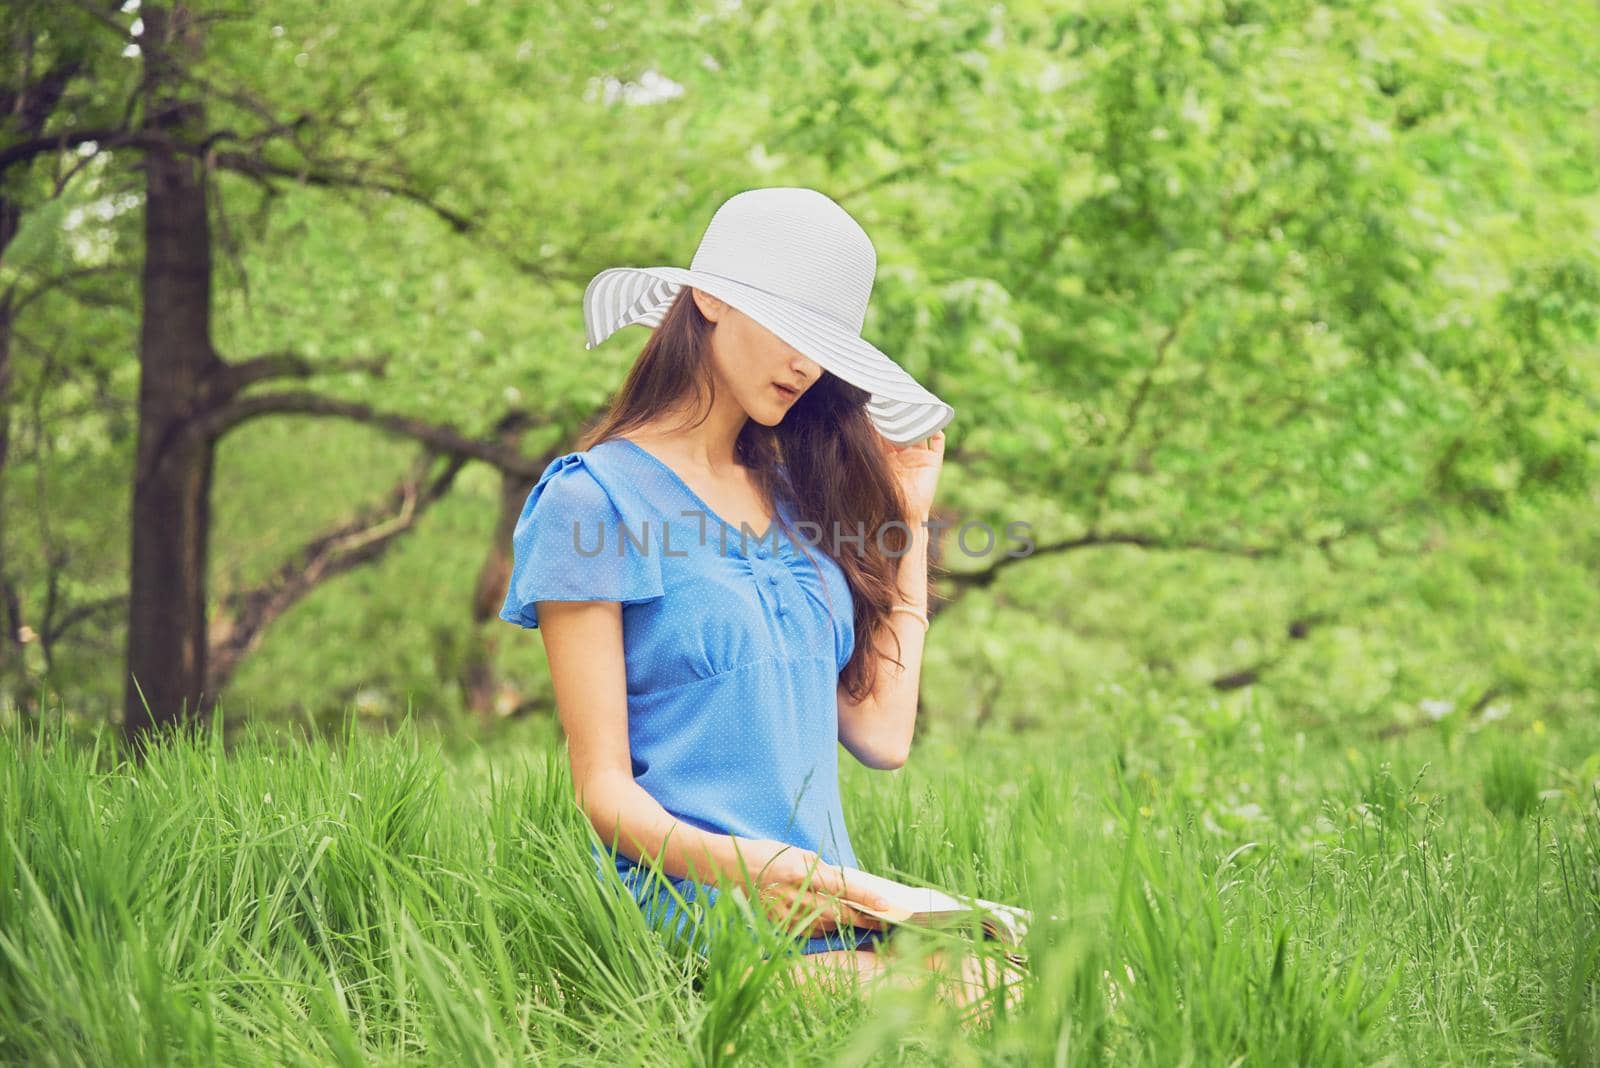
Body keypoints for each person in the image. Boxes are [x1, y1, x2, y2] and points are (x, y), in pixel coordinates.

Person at [499, 188, 1020, 1016]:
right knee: (980, 1003)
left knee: (1075, 983)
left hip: (830, 907)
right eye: (791, 331)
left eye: (824, 349)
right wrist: (758, 871)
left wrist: (910, 523)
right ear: (707, 297)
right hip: (690, 903)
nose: (805, 366)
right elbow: (603, 792)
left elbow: (882, 734)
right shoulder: (590, 502)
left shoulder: (798, 496)